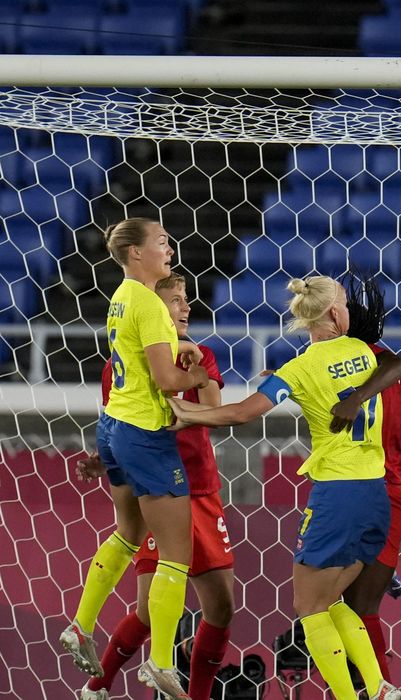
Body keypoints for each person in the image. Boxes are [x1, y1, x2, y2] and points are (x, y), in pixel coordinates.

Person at [169, 275, 401, 700]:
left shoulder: (298, 369)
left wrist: (189, 414)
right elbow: (391, 367)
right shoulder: (359, 351)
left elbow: (242, 413)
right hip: (375, 494)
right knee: (333, 600)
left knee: (308, 606)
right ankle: (380, 686)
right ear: (336, 314)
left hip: (337, 493)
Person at [60, 218, 209, 700]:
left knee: (128, 532)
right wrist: (198, 374)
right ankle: (161, 661)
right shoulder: (148, 302)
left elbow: (141, 357)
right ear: (136, 252)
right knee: (176, 552)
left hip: (113, 426)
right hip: (146, 434)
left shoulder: (123, 295)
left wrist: (178, 345)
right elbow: (167, 381)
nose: (170, 247)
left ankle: (81, 626)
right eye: (162, 241)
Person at [332, 270, 401, 686]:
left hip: (389, 488)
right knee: (344, 606)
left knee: (359, 608)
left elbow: (397, 362)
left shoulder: (371, 358)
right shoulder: (352, 359)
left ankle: (381, 689)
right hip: (373, 487)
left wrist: (355, 399)